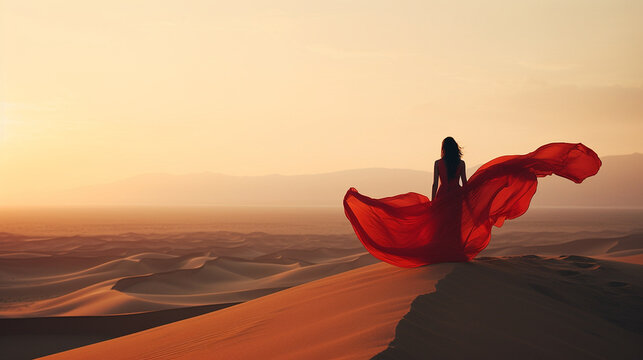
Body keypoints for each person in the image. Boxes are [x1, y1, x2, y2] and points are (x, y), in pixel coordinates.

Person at [343, 139, 601, 268]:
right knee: (453, 227)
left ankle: (440, 255)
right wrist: (468, 200)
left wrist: (434, 202)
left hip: (444, 196)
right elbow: (465, 184)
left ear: (444, 149)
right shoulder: (461, 163)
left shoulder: (438, 163)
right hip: (456, 197)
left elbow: (435, 185)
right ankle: (451, 253)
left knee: (438, 226)